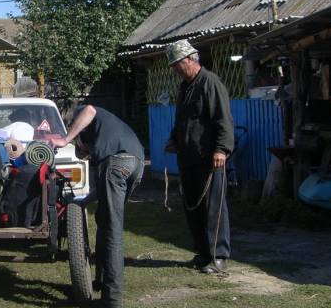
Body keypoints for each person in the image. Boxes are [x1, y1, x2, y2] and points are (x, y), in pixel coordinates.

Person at [50, 105, 144, 308]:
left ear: (82, 135)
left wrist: (65, 139)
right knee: (104, 218)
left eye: (83, 150)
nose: (86, 154)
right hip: (136, 163)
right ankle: (101, 280)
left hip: (118, 161)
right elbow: (98, 189)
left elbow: (90, 110)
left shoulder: (84, 114)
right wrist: (83, 201)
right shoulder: (106, 133)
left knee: (112, 229)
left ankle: (112, 301)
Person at [163, 40, 234, 275]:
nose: (175, 70)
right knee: (193, 206)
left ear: (190, 60)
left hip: (209, 157)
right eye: (173, 66)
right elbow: (182, 119)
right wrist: (174, 139)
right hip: (188, 156)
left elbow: (223, 119)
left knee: (213, 207)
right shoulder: (185, 86)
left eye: (177, 65)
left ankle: (219, 256)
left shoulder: (210, 82)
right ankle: (203, 253)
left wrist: (221, 149)